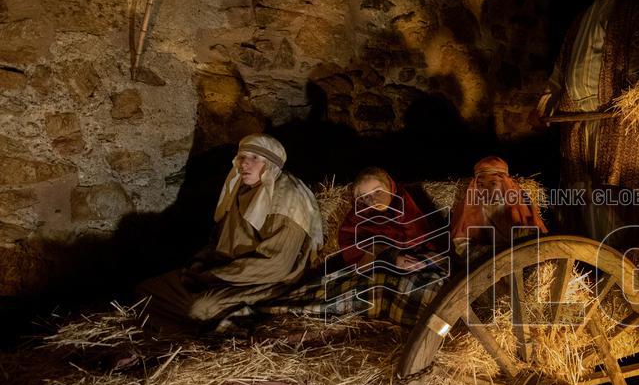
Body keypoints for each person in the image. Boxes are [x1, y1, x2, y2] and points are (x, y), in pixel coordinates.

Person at [538, 0, 639, 242]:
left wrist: (634, 99)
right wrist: (546, 104)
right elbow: (561, 70)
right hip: (577, 120)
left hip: (615, 118)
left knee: (616, 187)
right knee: (581, 190)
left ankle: (621, 255)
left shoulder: (631, 9)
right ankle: (586, 256)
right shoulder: (580, 19)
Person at [137, 134, 323, 332]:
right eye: (242, 157)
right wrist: (200, 265)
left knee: (200, 309)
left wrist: (215, 276)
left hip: (267, 281)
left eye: (255, 158)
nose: (244, 164)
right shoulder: (239, 188)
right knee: (147, 291)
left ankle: (194, 331)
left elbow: (277, 265)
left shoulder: (287, 199)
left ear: (270, 164)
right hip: (225, 271)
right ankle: (180, 328)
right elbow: (218, 241)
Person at [266, 167, 448, 327]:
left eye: (377, 191)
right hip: (375, 270)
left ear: (390, 187)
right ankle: (282, 307)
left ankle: (429, 323)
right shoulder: (358, 219)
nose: (372, 199)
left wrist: (415, 260)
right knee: (335, 290)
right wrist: (390, 257)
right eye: (365, 196)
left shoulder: (408, 206)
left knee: (423, 286)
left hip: (416, 263)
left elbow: (426, 240)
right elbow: (356, 254)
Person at [450, 156, 548, 259]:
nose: (487, 189)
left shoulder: (519, 206)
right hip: (487, 262)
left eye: (493, 183)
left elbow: (535, 240)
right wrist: (495, 252)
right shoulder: (471, 208)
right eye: (481, 184)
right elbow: (461, 245)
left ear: (505, 183)